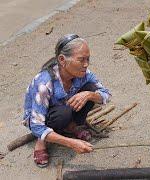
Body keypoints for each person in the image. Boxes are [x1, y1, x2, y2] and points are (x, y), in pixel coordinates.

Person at [23, 34, 111, 167]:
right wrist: (71, 143)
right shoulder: (44, 83)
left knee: (92, 89)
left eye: (88, 59)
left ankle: (70, 126)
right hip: (43, 117)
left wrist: (89, 95)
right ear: (62, 60)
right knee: (61, 114)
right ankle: (41, 142)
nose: (86, 64)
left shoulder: (84, 74)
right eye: (81, 60)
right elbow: (36, 125)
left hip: (65, 107)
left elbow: (106, 94)